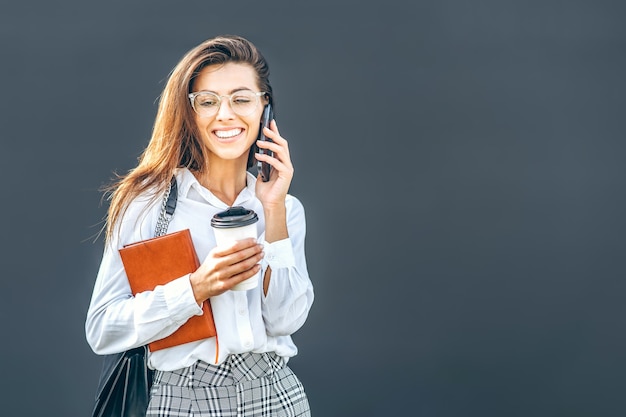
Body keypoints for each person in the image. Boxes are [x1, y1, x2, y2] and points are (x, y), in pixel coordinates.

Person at [85, 34, 314, 416]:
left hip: (275, 394)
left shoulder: (285, 208)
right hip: (183, 397)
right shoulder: (148, 204)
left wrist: (272, 212)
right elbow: (103, 328)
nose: (225, 114)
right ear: (190, 113)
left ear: (264, 108)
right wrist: (194, 289)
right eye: (208, 102)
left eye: (241, 99)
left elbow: (285, 320)